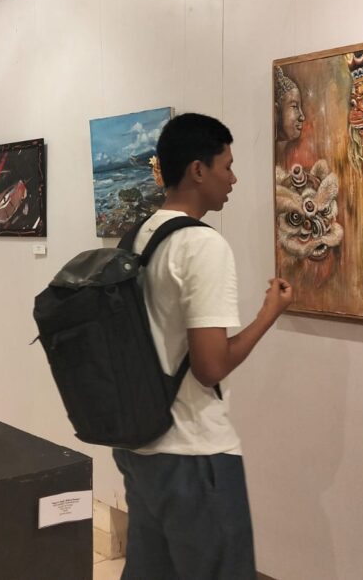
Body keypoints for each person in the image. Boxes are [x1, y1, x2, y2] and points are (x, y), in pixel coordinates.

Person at [114, 112, 294, 580]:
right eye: (227, 166)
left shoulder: (137, 236)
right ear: (198, 170)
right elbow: (210, 366)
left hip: (140, 449)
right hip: (194, 453)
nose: (233, 179)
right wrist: (269, 314)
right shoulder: (202, 246)